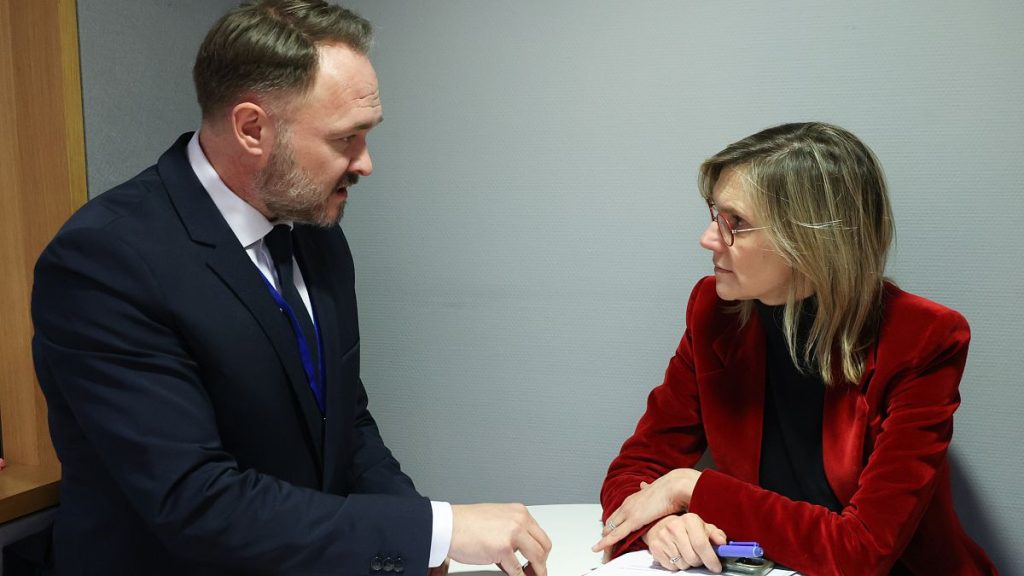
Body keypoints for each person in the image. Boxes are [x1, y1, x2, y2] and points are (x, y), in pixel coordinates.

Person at [31, 1, 550, 574]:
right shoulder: (106, 262)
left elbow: (344, 426)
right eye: (346, 139)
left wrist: (410, 544)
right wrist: (437, 529)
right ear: (253, 128)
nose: (366, 163)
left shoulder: (312, 231)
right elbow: (196, 501)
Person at [591, 123, 997, 575]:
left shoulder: (923, 339)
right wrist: (660, 523)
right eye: (714, 215)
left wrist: (691, 488)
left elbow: (860, 551)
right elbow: (636, 468)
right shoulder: (714, 312)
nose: (708, 239)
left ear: (809, 241)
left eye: (735, 223)